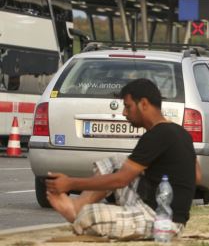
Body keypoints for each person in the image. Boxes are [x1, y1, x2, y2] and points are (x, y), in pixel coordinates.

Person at [45, 79, 200, 240]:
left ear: (144, 104)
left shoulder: (157, 135)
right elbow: (197, 175)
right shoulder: (180, 132)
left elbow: (120, 180)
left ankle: (78, 215)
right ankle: (76, 206)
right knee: (116, 163)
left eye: (128, 106)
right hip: (151, 203)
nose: (124, 113)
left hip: (162, 220)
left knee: (88, 217)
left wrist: (70, 183)